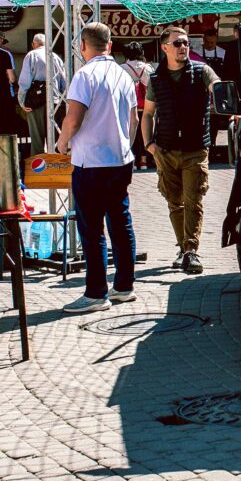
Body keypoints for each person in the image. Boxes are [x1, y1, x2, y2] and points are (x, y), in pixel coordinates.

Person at [56, 22, 138, 313]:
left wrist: (62, 142)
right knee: (120, 221)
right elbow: (134, 120)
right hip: (120, 159)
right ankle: (124, 286)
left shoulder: (84, 75)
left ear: (82, 47)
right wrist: (124, 144)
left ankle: (95, 293)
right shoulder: (123, 75)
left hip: (91, 161)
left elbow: (74, 118)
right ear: (110, 45)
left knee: (92, 229)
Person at [141, 26, 219, 274]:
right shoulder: (155, 78)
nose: (183, 47)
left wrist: (221, 91)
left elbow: (216, 86)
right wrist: (149, 145)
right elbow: (148, 114)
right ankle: (183, 247)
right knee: (174, 202)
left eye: (185, 43)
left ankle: (191, 251)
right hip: (165, 150)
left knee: (193, 200)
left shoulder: (202, 71)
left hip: (195, 149)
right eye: (177, 43)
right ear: (165, 48)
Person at [18, 33, 66, 157]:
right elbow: (63, 83)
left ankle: (38, 169)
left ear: (34, 44)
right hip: (55, 100)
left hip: (36, 102)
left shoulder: (31, 55)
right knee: (55, 136)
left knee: (37, 137)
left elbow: (24, 81)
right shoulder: (56, 57)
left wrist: (22, 101)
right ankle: (57, 165)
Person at [121, 41, 152, 169]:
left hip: (128, 106)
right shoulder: (148, 68)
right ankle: (144, 161)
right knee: (144, 134)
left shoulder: (121, 68)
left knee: (129, 132)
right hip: (146, 106)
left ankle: (132, 159)